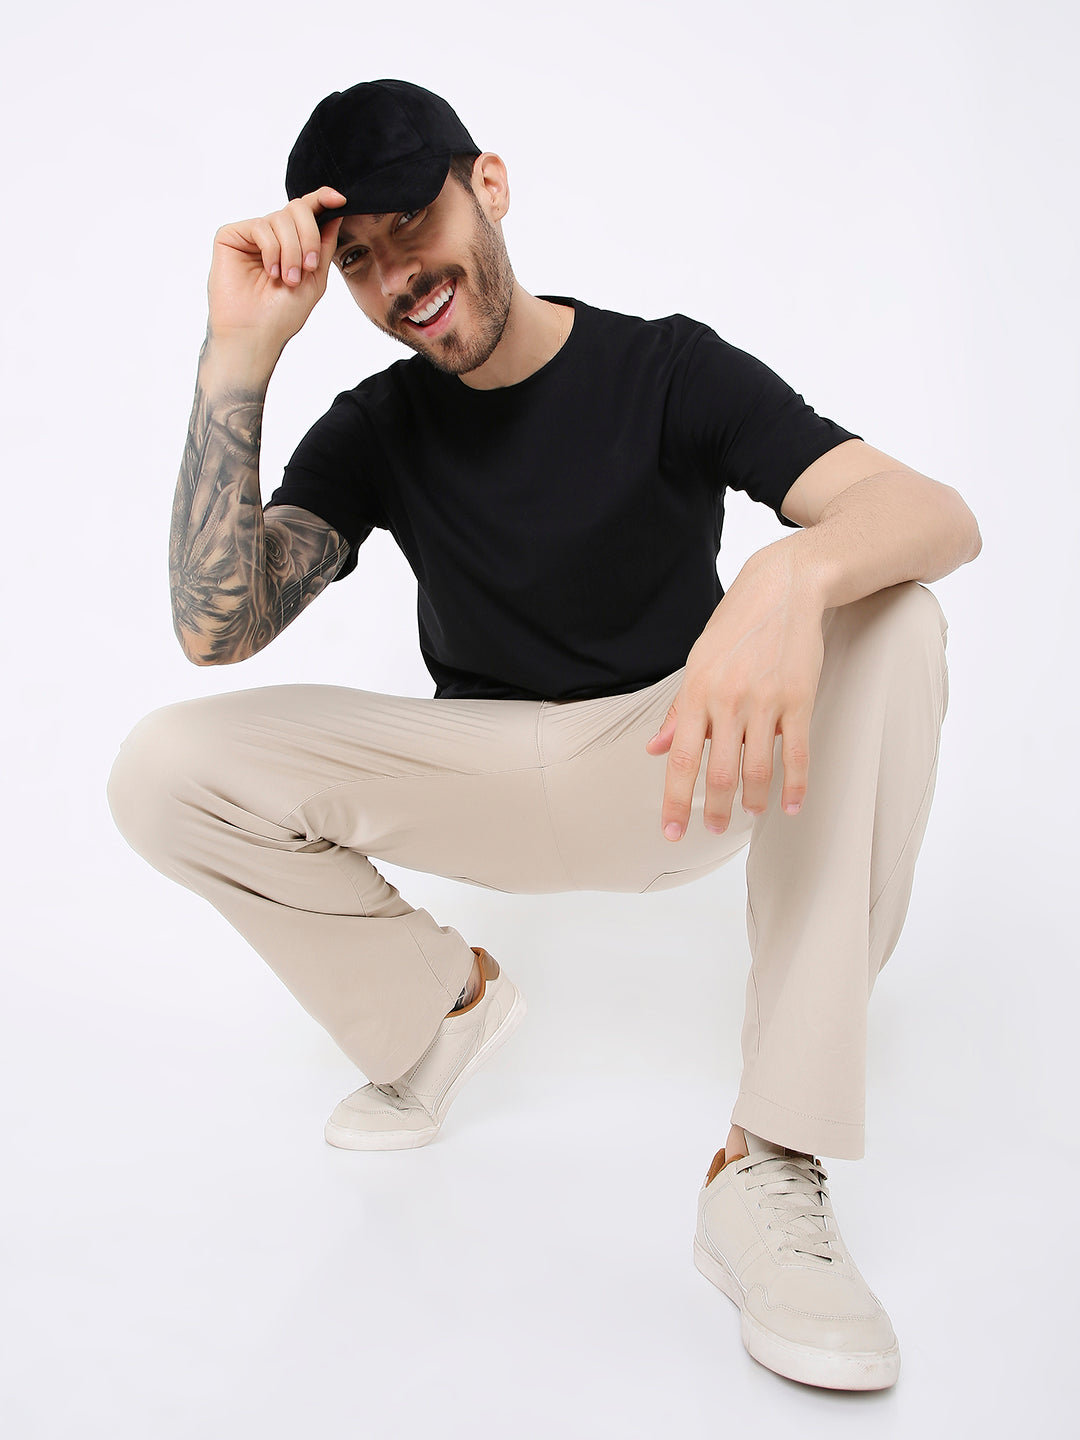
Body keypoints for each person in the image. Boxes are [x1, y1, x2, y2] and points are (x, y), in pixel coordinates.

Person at [107, 78, 981, 1391]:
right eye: (359, 259)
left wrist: (787, 579)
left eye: (415, 223)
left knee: (893, 614)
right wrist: (240, 352)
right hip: (489, 779)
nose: (399, 274)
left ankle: (768, 1161)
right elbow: (216, 627)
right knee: (163, 767)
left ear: (490, 186)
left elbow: (932, 515)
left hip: (684, 757)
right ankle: (439, 1008)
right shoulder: (377, 426)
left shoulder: (663, 367)